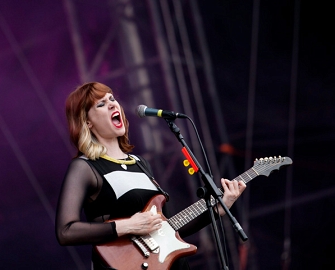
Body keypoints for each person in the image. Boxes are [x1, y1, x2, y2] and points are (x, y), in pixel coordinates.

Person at [55, 82, 246, 269]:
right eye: (101, 104)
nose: (113, 104)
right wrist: (128, 226)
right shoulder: (84, 167)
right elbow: (66, 231)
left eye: (112, 99)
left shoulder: (140, 163)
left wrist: (217, 210)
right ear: (87, 122)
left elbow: (169, 229)